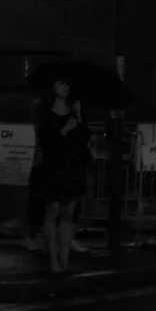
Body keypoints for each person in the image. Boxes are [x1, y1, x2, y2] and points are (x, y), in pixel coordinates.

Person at [34, 79, 92, 276]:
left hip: (73, 166)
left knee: (69, 212)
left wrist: (79, 117)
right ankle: (53, 261)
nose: (66, 87)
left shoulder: (75, 109)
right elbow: (46, 140)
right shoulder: (45, 111)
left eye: (68, 84)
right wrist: (65, 129)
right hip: (53, 166)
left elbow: (85, 137)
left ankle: (65, 261)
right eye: (61, 83)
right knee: (53, 210)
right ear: (53, 87)